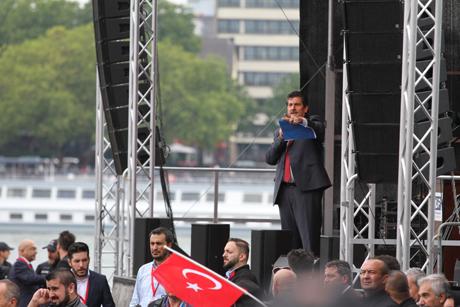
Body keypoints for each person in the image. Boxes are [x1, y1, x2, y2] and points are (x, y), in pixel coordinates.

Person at [265, 90, 331, 255]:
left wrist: (302, 122)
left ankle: (310, 277)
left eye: (297, 104)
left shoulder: (312, 125)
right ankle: (291, 276)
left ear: (305, 108)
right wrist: (281, 137)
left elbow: (320, 129)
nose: (292, 108)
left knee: (308, 239)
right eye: (290, 105)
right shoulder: (280, 131)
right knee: (289, 240)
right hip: (284, 190)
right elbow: (270, 158)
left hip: (306, 189)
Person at [130, 227, 174, 307]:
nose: (154, 248)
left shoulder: (177, 271)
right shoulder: (143, 270)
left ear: (169, 245)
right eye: (152, 243)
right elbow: (135, 300)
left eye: (158, 243)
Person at [67, 242, 115, 307]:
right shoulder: (62, 281)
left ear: (89, 260)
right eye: (77, 261)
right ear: (69, 262)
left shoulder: (100, 280)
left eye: (84, 260)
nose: (81, 265)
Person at [223, 238, 263, 306]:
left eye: (229, 252)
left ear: (242, 257)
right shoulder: (232, 276)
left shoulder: (245, 278)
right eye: (224, 251)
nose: (224, 255)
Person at [8, 240, 45, 307]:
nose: (36, 252)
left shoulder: (25, 264)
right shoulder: (19, 264)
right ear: (22, 251)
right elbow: (30, 279)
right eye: (33, 249)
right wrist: (49, 277)